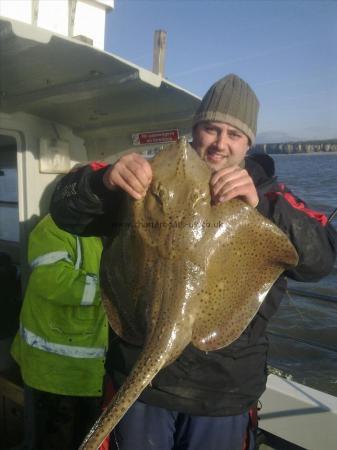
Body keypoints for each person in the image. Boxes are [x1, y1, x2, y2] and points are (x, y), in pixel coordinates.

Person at [49, 74, 337, 450]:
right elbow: (63, 211)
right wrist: (101, 181)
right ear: (194, 129)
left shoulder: (268, 195)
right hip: (144, 382)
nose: (219, 144)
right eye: (210, 129)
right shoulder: (147, 182)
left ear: (249, 142)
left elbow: (321, 260)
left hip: (223, 392)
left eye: (234, 134)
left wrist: (261, 208)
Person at [11, 213, 108, 450]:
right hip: (52, 374)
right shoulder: (54, 226)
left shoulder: (106, 233)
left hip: (90, 375)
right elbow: (51, 279)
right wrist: (109, 291)